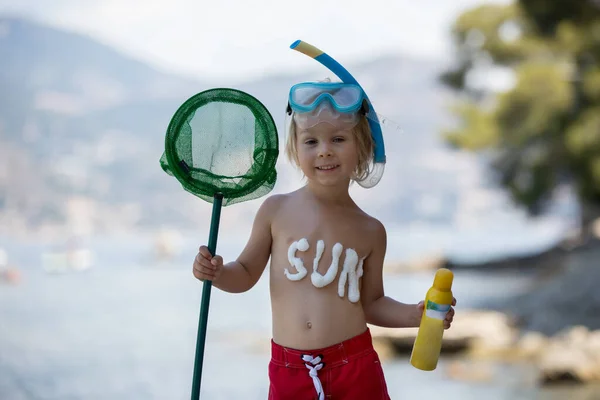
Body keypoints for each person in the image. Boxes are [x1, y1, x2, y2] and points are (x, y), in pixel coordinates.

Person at [193, 81, 457, 399]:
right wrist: (218, 273)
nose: (324, 150)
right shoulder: (275, 211)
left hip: (355, 367)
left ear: (363, 147)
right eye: (311, 141)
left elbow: (372, 304)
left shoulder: (370, 230)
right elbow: (245, 273)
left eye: (338, 138)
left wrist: (417, 315)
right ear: (295, 147)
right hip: (289, 371)